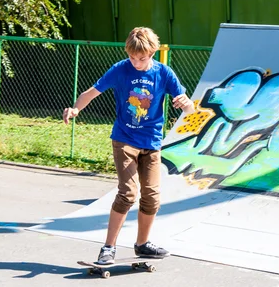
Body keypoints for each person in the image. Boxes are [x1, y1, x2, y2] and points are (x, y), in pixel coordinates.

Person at [63, 27, 194, 264]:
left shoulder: (163, 73)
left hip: (152, 142)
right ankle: (108, 247)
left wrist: (186, 103)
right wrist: (76, 108)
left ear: (153, 52)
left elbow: (189, 108)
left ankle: (142, 244)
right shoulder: (120, 69)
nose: (136, 62)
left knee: (152, 197)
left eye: (141, 58)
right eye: (132, 57)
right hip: (124, 140)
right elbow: (91, 93)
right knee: (128, 192)